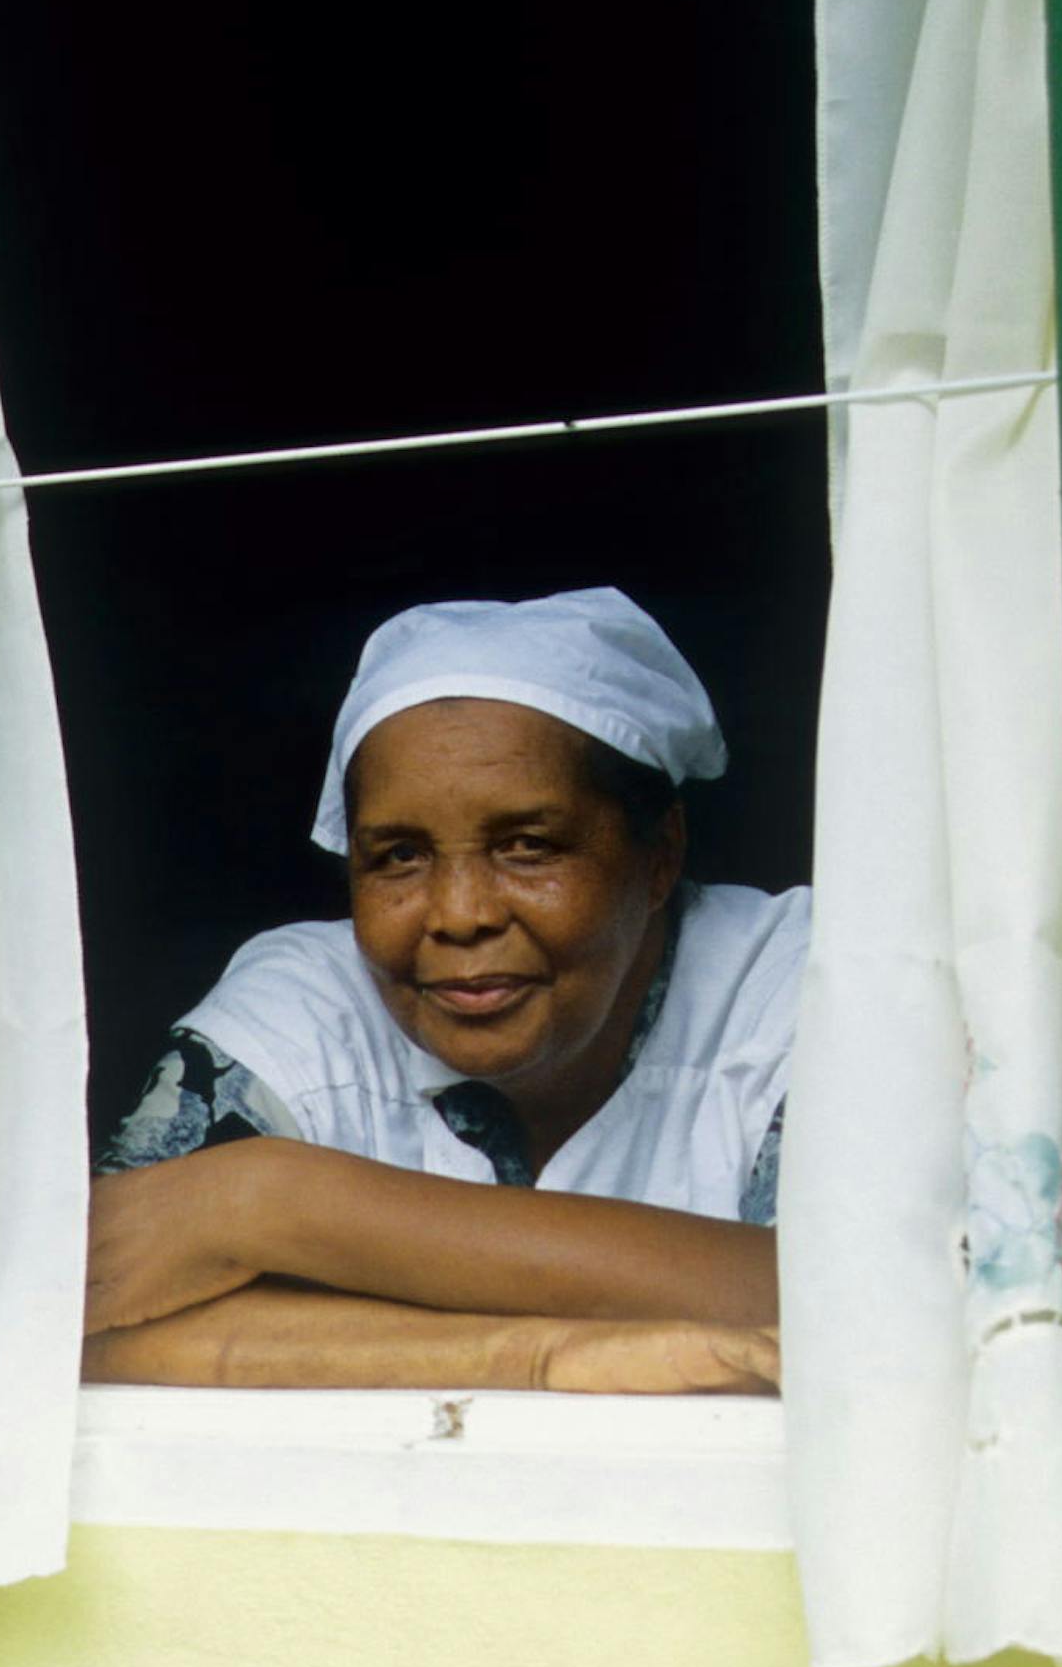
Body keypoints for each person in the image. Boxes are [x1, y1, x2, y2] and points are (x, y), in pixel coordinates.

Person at [85, 586, 808, 1393]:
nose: (459, 916)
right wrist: (538, 1359)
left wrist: (274, 1203)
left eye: (529, 846)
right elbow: (81, 1319)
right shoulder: (303, 1007)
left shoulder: (802, 981)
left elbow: (871, 1304)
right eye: (399, 856)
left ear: (661, 854)